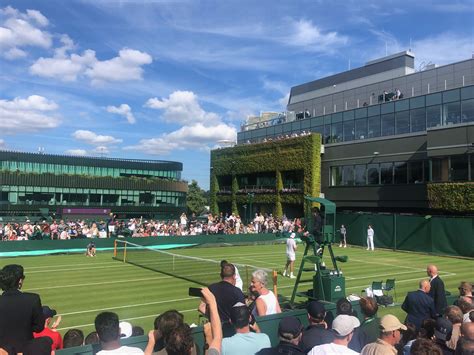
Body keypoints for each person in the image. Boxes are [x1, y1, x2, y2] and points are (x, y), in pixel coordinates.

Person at [0, 264, 45, 353]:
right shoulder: (33, 299)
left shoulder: (32, 299)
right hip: (25, 350)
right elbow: (39, 327)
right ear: (20, 281)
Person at [199, 263, 245, 327]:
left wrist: (213, 318)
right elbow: (242, 315)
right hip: (231, 330)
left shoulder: (211, 288)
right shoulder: (237, 292)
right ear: (234, 276)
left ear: (221, 275)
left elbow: (201, 307)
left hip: (214, 328)